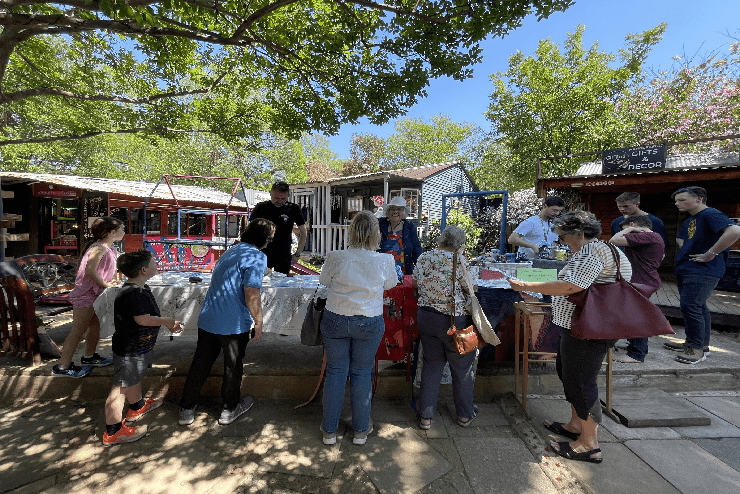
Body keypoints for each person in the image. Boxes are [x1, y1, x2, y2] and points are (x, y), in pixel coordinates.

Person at [509, 210, 632, 464]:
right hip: (580, 326)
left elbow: (571, 286)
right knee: (569, 374)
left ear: (580, 233)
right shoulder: (601, 250)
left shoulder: (593, 253)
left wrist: (527, 286)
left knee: (582, 381)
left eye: (564, 236)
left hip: (587, 329)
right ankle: (576, 425)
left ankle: (589, 444)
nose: (562, 242)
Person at [178, 218, 276, 426]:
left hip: (210, 317)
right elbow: (251, 292)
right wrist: (258, 322)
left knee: (200, 364)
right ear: (264, 239)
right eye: (270, 238)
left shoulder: (231, 251)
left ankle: (186, 408)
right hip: (233, 322)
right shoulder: (257, 256)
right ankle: (229, 408)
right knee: (233, 366)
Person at [319, 211, 397, 446]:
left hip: (336, 317)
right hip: (368, 320)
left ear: (351, 231)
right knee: (362, 373)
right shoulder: (385, 260)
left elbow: (324, 281)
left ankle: (329, 431)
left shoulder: (335, 256)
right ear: (376, 234)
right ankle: (361, 431)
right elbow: (391, 284)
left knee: (335, 371)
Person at [103, 250, 183, 445]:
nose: (156, 264)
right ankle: (113, 431)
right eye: (154, 261)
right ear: (144, 270)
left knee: (133, 378)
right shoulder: (134, 293)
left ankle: (137, 406)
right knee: (120, 388)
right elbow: (143, 319)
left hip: (138, 346)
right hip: (130, 348)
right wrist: (168, 321)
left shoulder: (137, 288)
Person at [664, 186, 740, 364]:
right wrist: (690, 248)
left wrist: (710, 253)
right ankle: (699, 344)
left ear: (699, 198)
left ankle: (696, 349)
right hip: (689, 268)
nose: (677, 203)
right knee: (698, 306)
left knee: (691, 306)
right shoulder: (692, 219)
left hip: (704, 270)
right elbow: (681, 238)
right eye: (676, 200)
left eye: (682, 200)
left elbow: (734, 231)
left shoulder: (710, 214)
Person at [412, 225, 478, 430]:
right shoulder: (459, 260)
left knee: (431, 364)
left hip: (426, 317)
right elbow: (471, 288)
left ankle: (425, 417)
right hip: (453, 321)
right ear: (460, 245)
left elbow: (415, 283)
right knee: (461, 367)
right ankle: (465, 415)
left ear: (441, 239)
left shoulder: (424, 257)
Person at [52, 217, 126, 378]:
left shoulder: (107, 248)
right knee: (78, 331)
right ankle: (62, 367)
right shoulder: (99, 248)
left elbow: (100, 271)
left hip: (95, 294)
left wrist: (109, 281)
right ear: (112, 232)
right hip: (86, 295)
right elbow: (90, 271)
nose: (124, 232)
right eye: (122, 229)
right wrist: (106, 284)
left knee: (95, 327)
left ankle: (89, 357)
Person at [609, 215, 665, 363]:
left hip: (641, 282)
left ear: (633, 224)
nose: (624, 233)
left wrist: (631, 229)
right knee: (629, 313)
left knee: (636, 316)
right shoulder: (653, 237)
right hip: (643, 280)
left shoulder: (647, 236)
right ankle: (631, 345)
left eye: (624, 229)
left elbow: (614, 240)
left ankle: (636, 354)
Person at [249, 181, 307, 274]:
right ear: (270, 193)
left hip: (283, 253)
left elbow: (303, 231)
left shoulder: (293, 208)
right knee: (259, 281)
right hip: (262, 251)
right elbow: (249, 230)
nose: (279, 201)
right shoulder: (261, 207)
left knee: (281, 284)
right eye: (276, 198)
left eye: (283, 198)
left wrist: (297, 253)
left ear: (288, 195)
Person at [378, 196, 423, 275]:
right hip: (381, 273)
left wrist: (423, 269)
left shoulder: (410, 227)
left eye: (399, 209)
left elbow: (417, 250)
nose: (395, 211)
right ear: (388, 211)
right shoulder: (380, 225)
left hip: (403, 274)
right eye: (393, 209)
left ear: (404, 212)